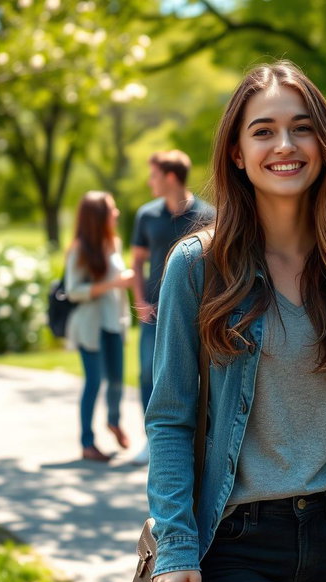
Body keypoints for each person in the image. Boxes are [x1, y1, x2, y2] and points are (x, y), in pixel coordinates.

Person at [145, 61, 326, 582]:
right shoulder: (197, 268)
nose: (284, 145)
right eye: (263, 130)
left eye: (302, 127)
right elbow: (170, 418)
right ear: (237, 153)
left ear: (325, 143)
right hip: (236, 544)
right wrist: (177, 547)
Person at [130, 150, 215, 465]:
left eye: (153, 175)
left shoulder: (208, 216)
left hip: (198, 313)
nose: (149, 181)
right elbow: (137, 262)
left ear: (169, 177)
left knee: (198, 377)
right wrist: (139, 300)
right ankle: (152, 440)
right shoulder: (146, 216)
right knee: (147, 374)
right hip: (153, 313)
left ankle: (198, 440)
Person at [65, 191, 134, 462]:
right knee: (94, 382)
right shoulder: (81, 249)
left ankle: (114, 421)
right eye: (112, 210)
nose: (116, 214)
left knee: (116, 380)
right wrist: (114, 283)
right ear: (98, 216)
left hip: (113, 324)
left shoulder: (113, 243)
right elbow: (73, 290)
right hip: (89, 326)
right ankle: (87, 443)